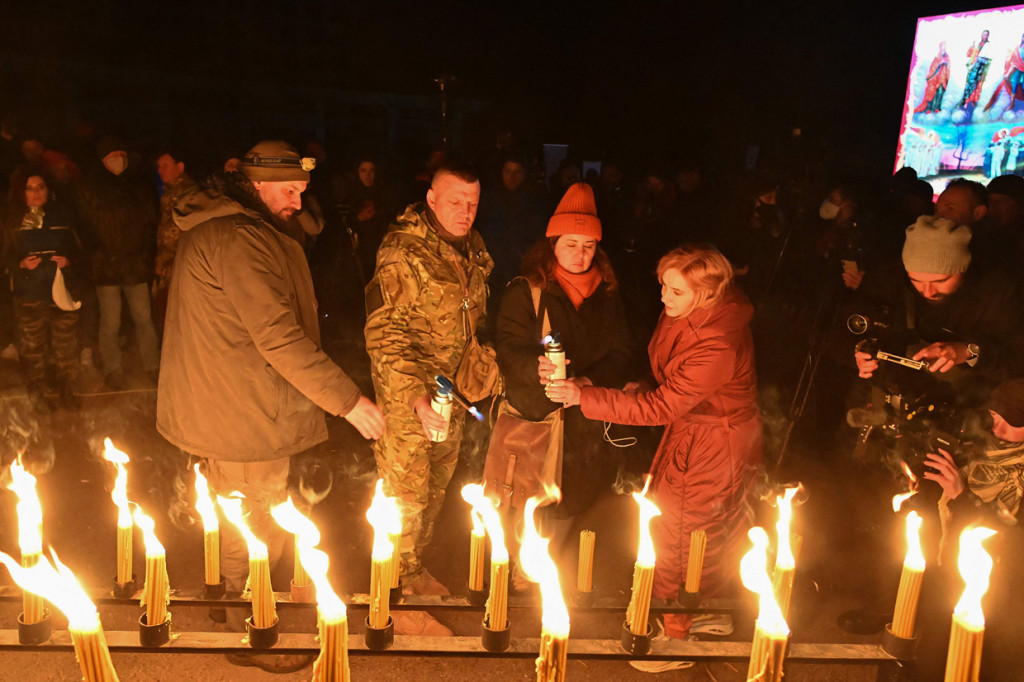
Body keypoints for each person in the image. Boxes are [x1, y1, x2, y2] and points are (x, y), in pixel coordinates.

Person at [157, 140, 384, 674]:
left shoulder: (236, 228)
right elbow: (278, 336)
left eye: (303, 192)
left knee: (254, 518)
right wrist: (349, 402)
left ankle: (240, 616)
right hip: (240, 410)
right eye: (288, 191)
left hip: (235, 402)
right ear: (256, 184)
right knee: (252, 525)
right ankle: (248, 632)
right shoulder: (239, 237)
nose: (297, 203)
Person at [547, 245, 763, 668]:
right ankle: (708, 609)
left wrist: (585, 397)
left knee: (681, 533)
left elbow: (661, 408)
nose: (664, 296)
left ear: (705, 295)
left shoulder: (718, 341)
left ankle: (676, 635)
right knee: (697, 527)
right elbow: (672, 381)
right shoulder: (687, 313)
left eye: (676, 290)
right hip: (696, 429)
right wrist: (645, 383)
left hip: (715, 442)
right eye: (663, 284)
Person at [364, 161, 495, 634]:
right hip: (409, 396)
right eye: (456, 202)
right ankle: (391, 594)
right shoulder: (404, 252)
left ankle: (412, 571)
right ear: (433, 200)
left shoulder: (471, 247)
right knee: (405, 495)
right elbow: (385, 332)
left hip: (451, 395)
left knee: (437, 486)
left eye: (474, 204)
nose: (466, 212)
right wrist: (414, 397)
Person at [494, 182, 633, 579]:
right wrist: (534, 367)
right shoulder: (528, 292)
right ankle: (516, 569)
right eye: (571, 243)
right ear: (552, 243)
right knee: (525, 496)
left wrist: (588, 381)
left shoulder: (606, 294)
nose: (580, 253)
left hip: (583, 421)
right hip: (535, 419)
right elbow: (508, 348)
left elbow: (622, 352)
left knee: (571, 497)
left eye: (589, 246)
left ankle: (543, 568)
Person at [853, 215, 1022, 406]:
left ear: (963, 270)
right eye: (916, 281)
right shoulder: (889, 281)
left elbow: (1016, 359)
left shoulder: (998, 293)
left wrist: (969, 351)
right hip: (901, 397)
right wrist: (861, 353)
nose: (927, 292)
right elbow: (847, 330)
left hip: (974, 403)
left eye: (940, 281)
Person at [920, 377, 1024, 682]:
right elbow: (944, 502)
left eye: (1013, 422)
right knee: (933, 661)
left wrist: (962, 496)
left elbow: (1012, 542)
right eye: (995, 415)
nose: (998, 428)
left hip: (1002, 599)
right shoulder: (979, 445)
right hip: (951, 574)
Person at [74, 135, 160, 389]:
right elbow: (85, 227)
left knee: (143, 318)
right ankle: (113, 368)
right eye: (112, 157)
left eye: (121, 155)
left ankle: (152, 366)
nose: (117, 161)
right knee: (110, 321)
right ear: (103, 161)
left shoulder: (140, 186)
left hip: (135, 265)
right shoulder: (91, 188)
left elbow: (150, 224)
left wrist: (145, 255)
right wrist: (98, 255)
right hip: (107, 267)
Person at [2, 168, 82, 412]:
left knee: (66, 345)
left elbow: (81, 251)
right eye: (30, 188)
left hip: (60, 291)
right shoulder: (12, 221)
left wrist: (69, 262)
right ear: (22, 193)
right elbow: (5, 256)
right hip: (29, 293)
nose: (36, 193)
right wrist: (20, 264)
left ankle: (67, 390)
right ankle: (37, 392)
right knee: (33, 347)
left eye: (41, 187)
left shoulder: (63, 217)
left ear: (48, 190)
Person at [152, 148, 197, 333]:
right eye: (158, 166)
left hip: (181, 270)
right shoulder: (167, 194)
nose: (160, 170)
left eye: (165, 165)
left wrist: (172, 264)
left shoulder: (191, 195)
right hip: (166, 270)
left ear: (180, 167)